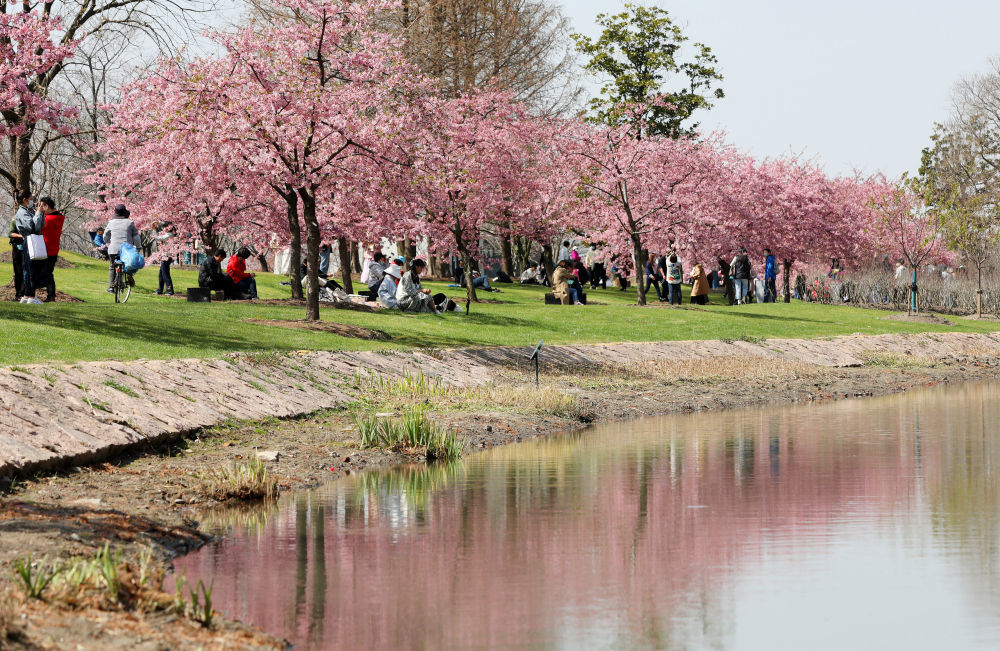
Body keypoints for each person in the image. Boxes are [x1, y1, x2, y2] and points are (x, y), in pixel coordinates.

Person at [13, 190, 44, 303]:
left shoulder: (28, 211)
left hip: (33, 240)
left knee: (32, 269)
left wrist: (40, 213)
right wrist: (37, 214)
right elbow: (32, 227)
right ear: (25, 200)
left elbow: (41, 225)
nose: (33, 201)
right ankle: (30, 296)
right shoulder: (22, 212)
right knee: (29, 269)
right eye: (31, 199)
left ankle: (27, 296)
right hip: (29, 240)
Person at [105, 204, 139, 293]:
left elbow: (105, 235)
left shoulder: (111, 222)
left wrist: (109, 241)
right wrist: (138, 246)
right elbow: (136, 237)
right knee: (130, 263)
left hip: (113, 249)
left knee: (112, 266)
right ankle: (129, 275)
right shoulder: (130, 223)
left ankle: (111, 287)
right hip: (127, 249)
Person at [37, 197, 64, 302]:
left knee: (47, 274)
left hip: (45, 249)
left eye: (42, 206)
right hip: (53, 249)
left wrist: (38, 214)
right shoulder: (59, 217)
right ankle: (51, 295)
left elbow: (37, 227)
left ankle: (51, 296)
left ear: (46, 206)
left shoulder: (48, 219)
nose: (41, 208)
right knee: (48, 273)